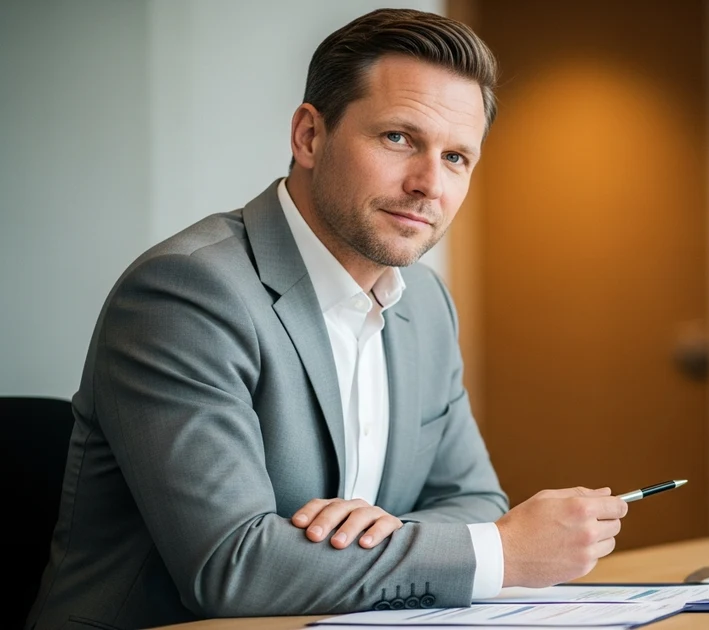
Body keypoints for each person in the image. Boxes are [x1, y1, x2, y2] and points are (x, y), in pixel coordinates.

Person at [26, 9, 628, 630]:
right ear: (310, 136)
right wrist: (501, 552)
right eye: (399, 138)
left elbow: (472, 500)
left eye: (456, 158)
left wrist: (398, 533)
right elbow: (233, 567)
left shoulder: (424, 303)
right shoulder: (186, 293)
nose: (429, 184)